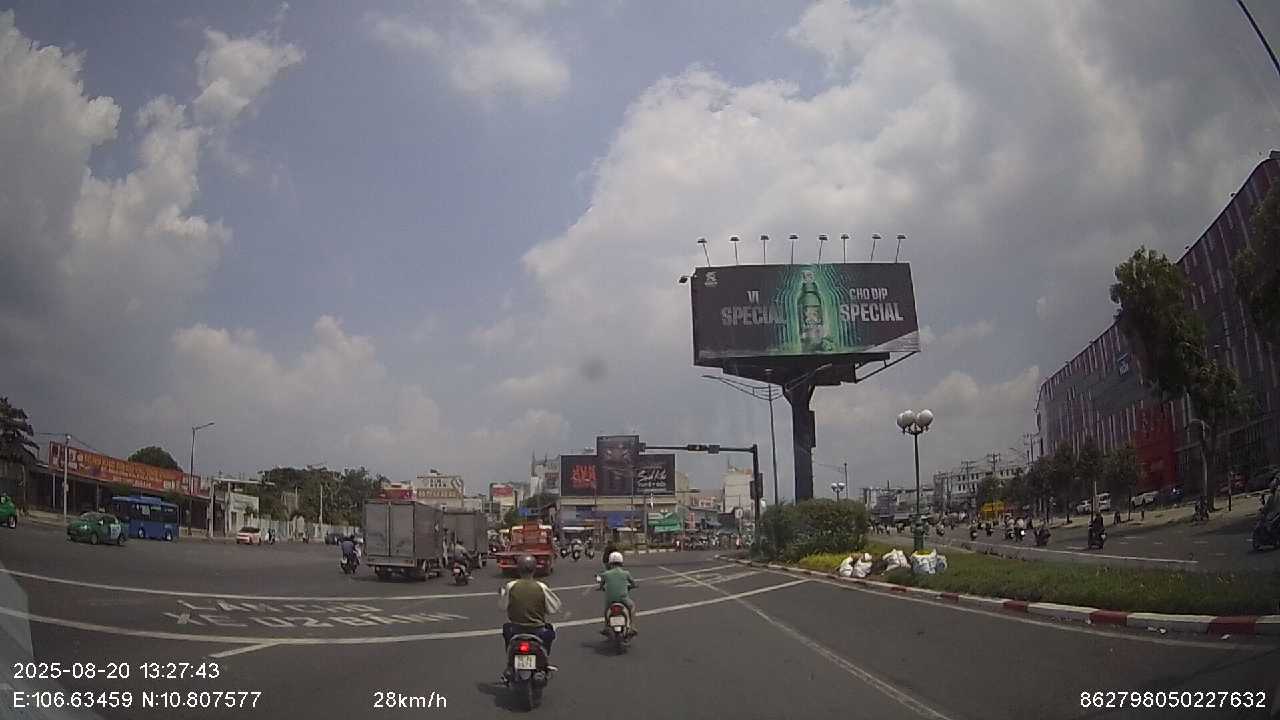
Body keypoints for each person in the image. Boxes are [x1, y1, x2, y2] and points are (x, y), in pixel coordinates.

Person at [499, 554, 561, 682]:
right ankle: (544, 662)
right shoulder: (541, 587)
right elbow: (554, 608)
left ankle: (510, 664)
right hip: (537, 630)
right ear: (534, 569)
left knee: (506, 629)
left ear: (518, 569)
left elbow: (502, 606)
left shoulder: (511, 586)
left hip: (516, 629)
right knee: (550, 631)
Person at [597, 551, 638, 636]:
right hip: (623, 599)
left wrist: (601, 587)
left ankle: (606, 627)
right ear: (621, 562)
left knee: (606, 611)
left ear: (610, 562)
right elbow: (633, 583)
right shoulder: (626, 573)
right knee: (632, 607)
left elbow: (601, 582)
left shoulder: (606, 574)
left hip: (610, 599)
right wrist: (632, 586)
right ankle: (632, 627)